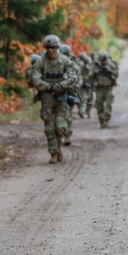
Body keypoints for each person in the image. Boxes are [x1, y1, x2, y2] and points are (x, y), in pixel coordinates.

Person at [28, 35, 82, 163]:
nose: (50, 50)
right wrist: (49, 87)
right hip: (47, 97)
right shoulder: (41, 61)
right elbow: (35, 78)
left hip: (61, 98)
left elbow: (73, 76)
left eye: (52, 47)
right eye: (47, 47)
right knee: (49, 128)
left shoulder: (65, 61)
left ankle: (59, 146)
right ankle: (54, 152)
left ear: (57, 47)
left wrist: (61, 85)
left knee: (60, 126)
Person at [92, 50, 119, 128]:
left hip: (108, 88)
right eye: (102, 60)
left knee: (108, 105)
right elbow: (90, 76)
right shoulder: (96, 65)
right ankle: (101, 121)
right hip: (99, 88)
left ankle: (106, 120)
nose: (103, 62)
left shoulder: (111, 65)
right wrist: (97, 71)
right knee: (99, 105)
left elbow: (116, 74)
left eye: (105, 60)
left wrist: (109, 70)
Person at [59, 44, 79, 145]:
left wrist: (75, 92)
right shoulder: (56, 62)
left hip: (69, 92)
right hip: (58, 92)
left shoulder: (72, 64)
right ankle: (61, 135)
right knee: (60, 116)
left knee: (67, 115)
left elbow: (77, 78)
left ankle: (67, 136)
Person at [77, 51, 95, 118]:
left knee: (91, 99)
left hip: (90, 84)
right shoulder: (80, 64)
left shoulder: (90, 63)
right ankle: (82, 111)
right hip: (83, 85)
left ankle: (88, 112)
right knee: (84, 99)